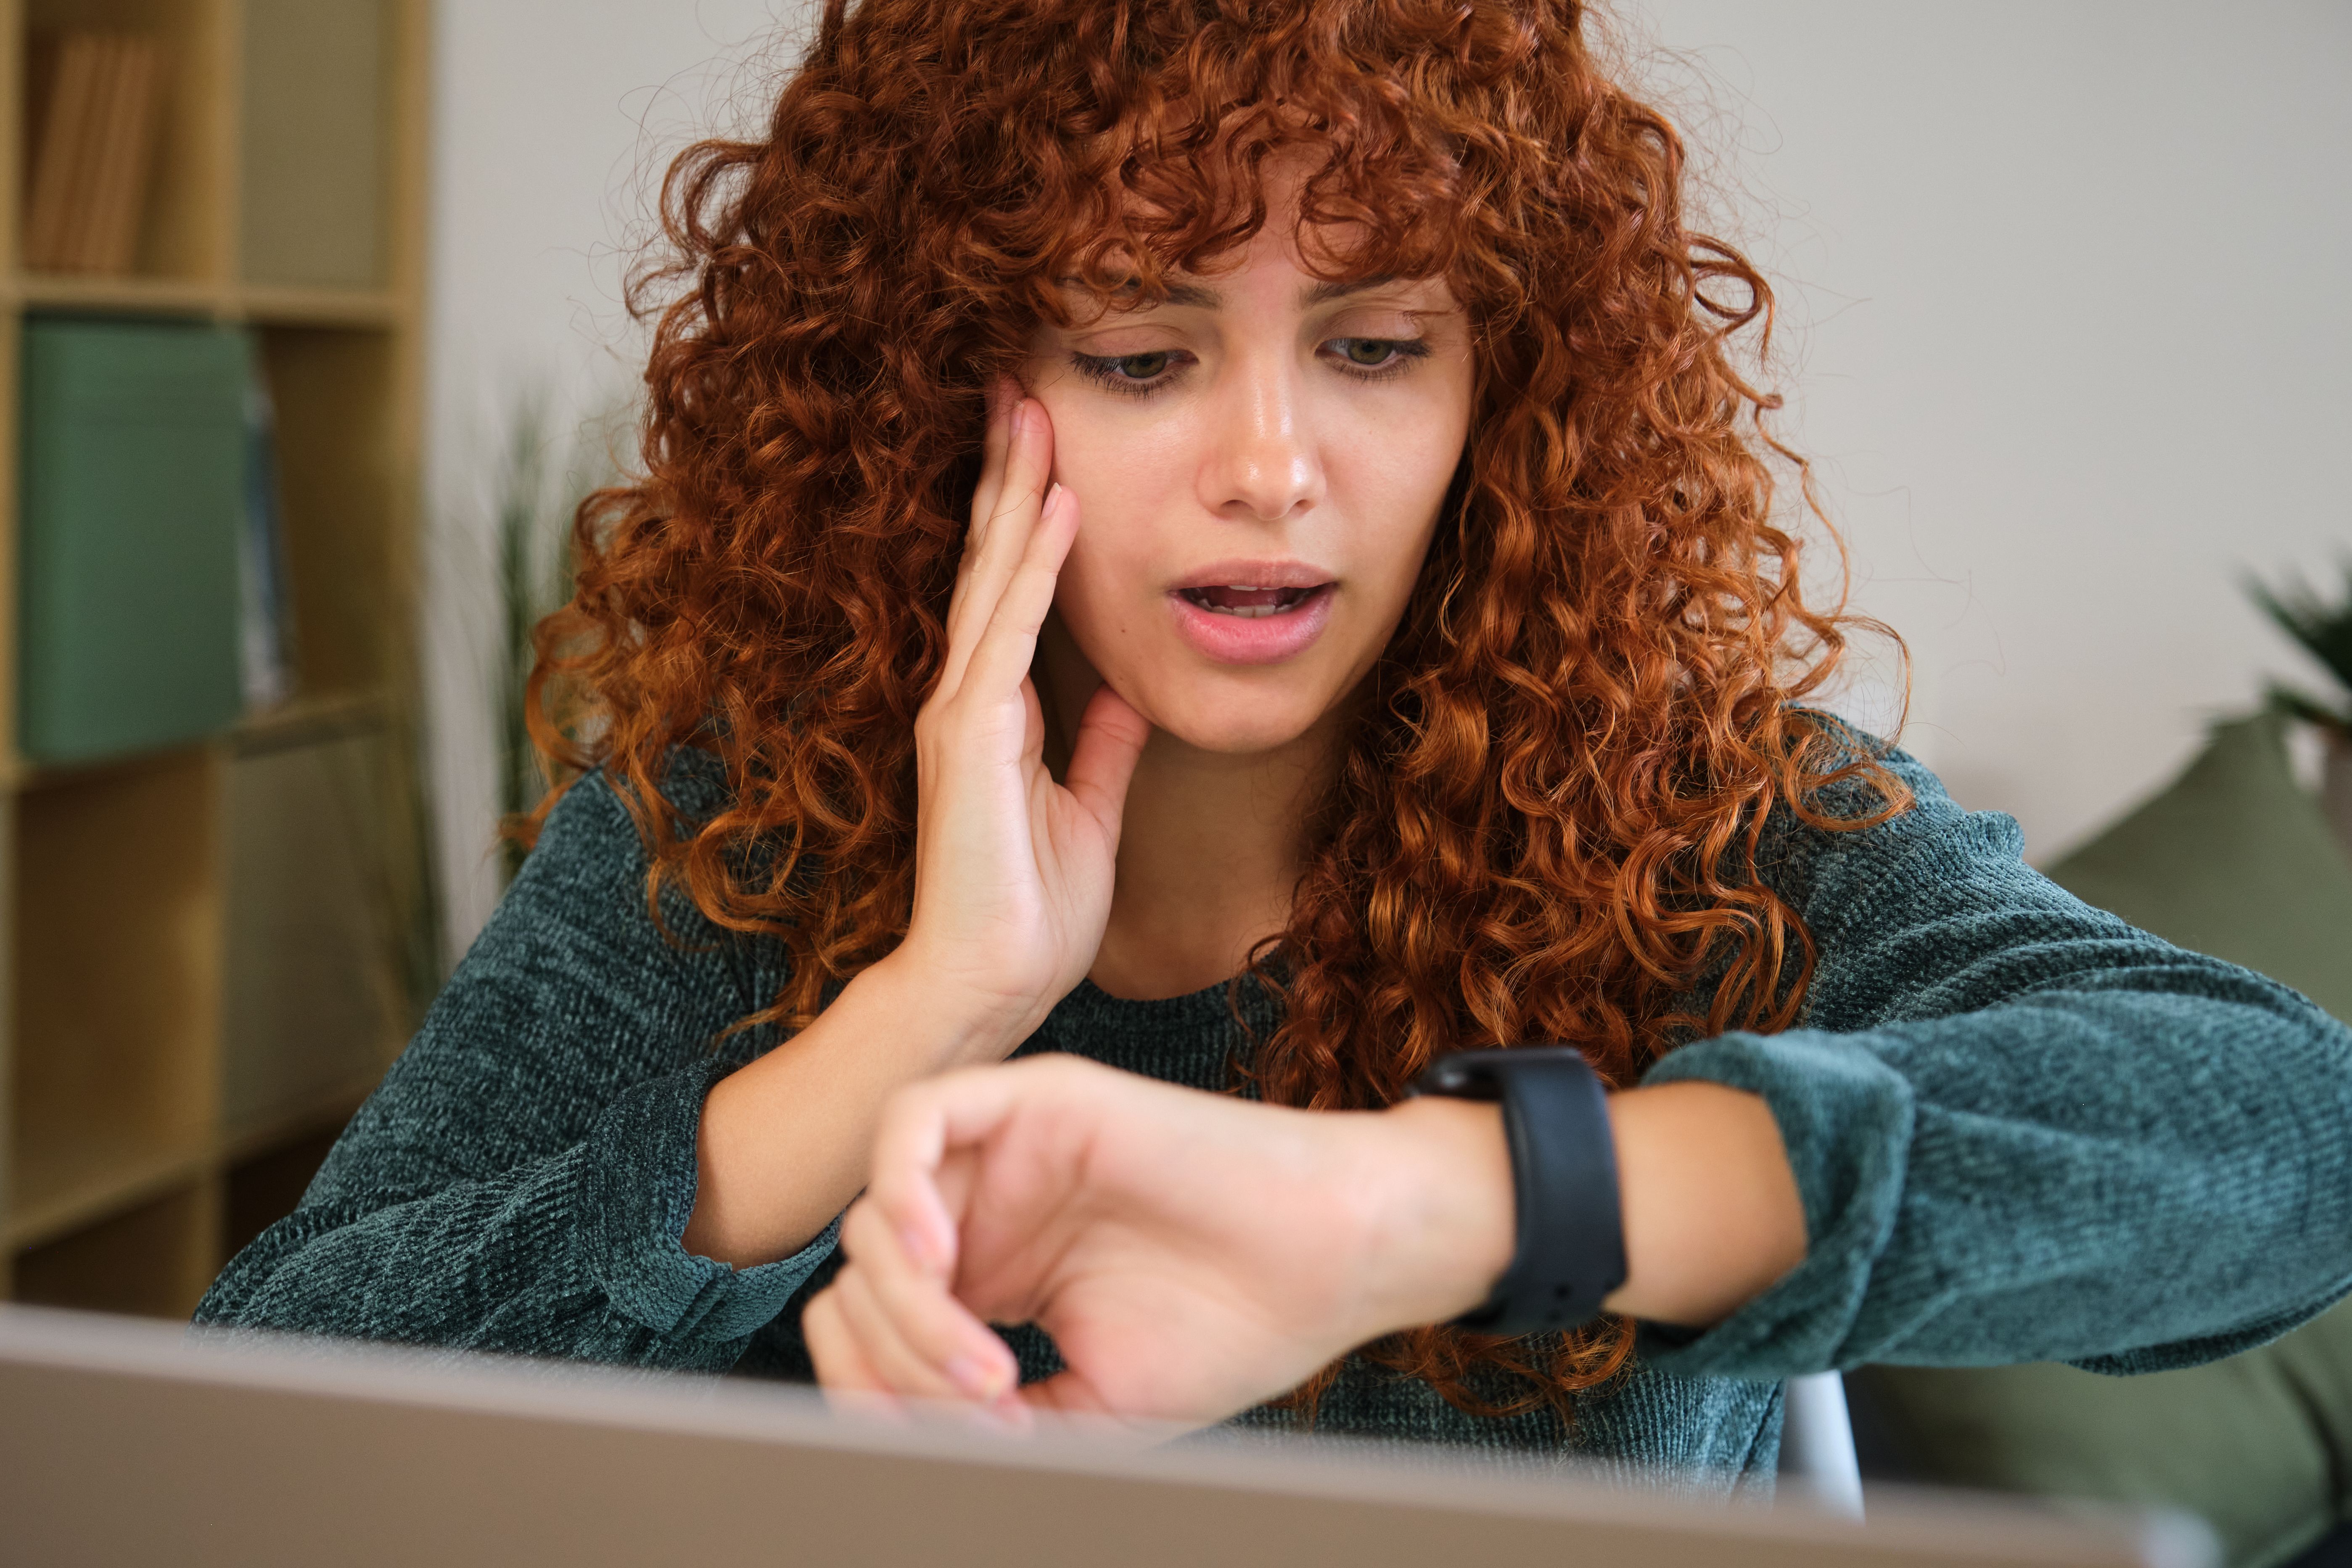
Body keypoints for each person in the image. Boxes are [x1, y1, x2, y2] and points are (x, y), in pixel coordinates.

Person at [197, 0, 2352, 1493]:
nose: (1269, 467)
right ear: (949, 391)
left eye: (1375, 346)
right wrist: (909, 1029)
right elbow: (254, 1426)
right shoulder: (745, 833)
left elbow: (2287, 1136)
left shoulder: (1702, 823)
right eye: (1143, 352)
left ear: (1495, 392)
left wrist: (1430, 1205)